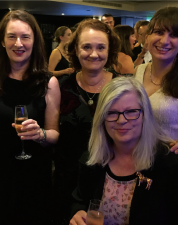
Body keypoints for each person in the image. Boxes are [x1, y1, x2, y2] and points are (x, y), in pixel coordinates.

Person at [70, 77, 178, 225]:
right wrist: (78, 211)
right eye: (112, 113)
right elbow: (79, 199)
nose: (121, 121)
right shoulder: (93, 159)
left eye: (131, 111)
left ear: (145, 115)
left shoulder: (173, 165)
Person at [0, 10, 60, 225]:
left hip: (31, 177)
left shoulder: (48, 83)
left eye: (25, 37)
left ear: (35, 41)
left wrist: (40, 134)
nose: (18, 43)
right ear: (2, 40)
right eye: (12, 36)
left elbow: (54, 134)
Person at [53, 18, 120, 224]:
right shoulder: (60, 86)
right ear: (75, 49)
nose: (94, 53)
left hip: (110, 181)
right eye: (86, 47)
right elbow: (53, 132)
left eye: (101, 47)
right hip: (67, 181)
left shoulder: (121, 86)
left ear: (109, 51)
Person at [134, 7, 178, 186]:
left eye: (174, 35)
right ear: (147, 37)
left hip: (177, 171)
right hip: (140, 166)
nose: (165, 41)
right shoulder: (138, 71)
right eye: (159, 32)